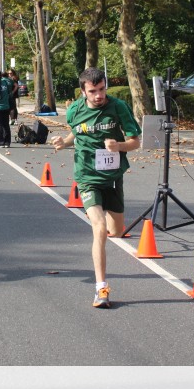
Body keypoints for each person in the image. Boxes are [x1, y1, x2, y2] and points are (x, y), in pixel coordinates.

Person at [51, 68, 141, 308]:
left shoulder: (118, 107)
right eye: (93, 91)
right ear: (83, 91)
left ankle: (111, 226)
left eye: (102, 89)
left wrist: (119, 145)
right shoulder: (74, 110)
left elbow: (135, 142)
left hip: (112, 177)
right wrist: (64, 142)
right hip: (87, 176)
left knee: (116, 232)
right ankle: (101, 288)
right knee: (99, 228)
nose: (99, 95)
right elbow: (76, 131)